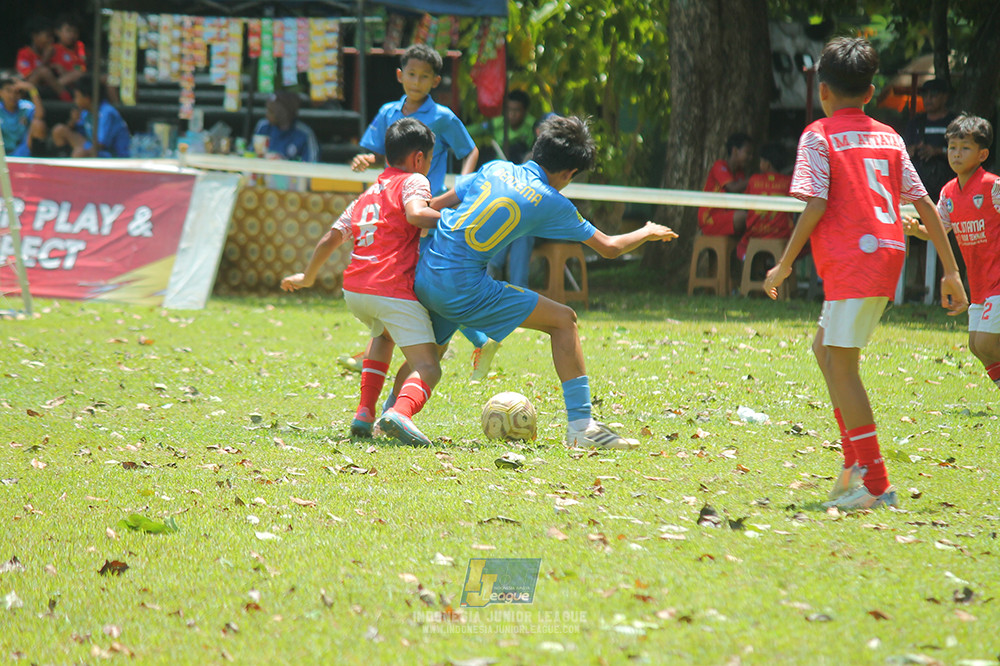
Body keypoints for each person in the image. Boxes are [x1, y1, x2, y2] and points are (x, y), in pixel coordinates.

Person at [762, 37, 968, 511]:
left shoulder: (818, 135)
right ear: (871, 93)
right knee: (824, 350)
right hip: (881, 254)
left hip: (855, 259)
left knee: (843, 365)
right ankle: (854, 462)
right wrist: (950, 270)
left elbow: (816, 203)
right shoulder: (889, 136)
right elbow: (925, 205)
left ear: (823, 91)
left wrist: (785, 262)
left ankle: (875, 485)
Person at [417, 115, 678, 449]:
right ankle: (582, 426)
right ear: (569, 174)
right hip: (466, 287)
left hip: (429, 271)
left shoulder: (495, 167)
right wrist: (647, 231)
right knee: (564, 320)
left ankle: (386, 413)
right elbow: (610, 248)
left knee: (428, 358)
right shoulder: (552, 200)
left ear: (538, 145)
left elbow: (432, 208)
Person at [281, 118, 443, 447]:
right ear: (418, 158)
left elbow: (330, 238)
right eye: (428, 160)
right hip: (390, 288)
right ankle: (400, 412)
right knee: (429, 366)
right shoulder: (414, 181)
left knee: (383, 337)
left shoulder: (369, 193)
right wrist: (460, 219)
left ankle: (364, 413)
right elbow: (415, 214)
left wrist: (307, 276)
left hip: (355, 290)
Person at [347, 43, 497, 382]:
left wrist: (460, 186)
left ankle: (474, 339)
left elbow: (469, 149)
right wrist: (365, 159)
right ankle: (479, 340)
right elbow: (373, 150)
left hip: (424, 209)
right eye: (411, 74)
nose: (416, 81)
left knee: (423, 282)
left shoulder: (443, 117)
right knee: (402, 278)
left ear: (435, 81)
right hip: (392, 208)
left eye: (424, 76)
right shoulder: (388, 112)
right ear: (400, 76)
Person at [904, 114, 1000, 394]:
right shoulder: (948, 192)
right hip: (980, 284)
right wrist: (917, 230)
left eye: (965, 148)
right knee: (975, 345)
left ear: (982, 154)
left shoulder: (993, 187)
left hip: (998, 281)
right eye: (952, 147)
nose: (956, 154)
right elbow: (939, 230)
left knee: (985, 343)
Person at [736, 143, 794, 262]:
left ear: (767, 164)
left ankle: (749, 261)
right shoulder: (789, 182)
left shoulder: (754, 180)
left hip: (754, 234)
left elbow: (744, 204)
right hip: (781, 235)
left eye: (761, 161)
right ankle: (782, 266)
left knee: (740, 246)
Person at [903, 79, 957, 203]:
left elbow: (962, 152)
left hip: (946, 184)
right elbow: (905, 149)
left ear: (945, 97)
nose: (928, 99)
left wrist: (937, 151)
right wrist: (913, 150)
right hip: (920, 186)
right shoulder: (915, 123)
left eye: (933, 95)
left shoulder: (954, 123)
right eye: (925, 95)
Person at [51, 74, 130, 158]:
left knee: (79, 153)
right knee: (59, 130)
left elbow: (101, 145)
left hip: (114, 155)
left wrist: (83, 152)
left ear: (87, 98)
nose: (75, 101)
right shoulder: (85, 112)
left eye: (77, 97)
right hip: (94, 148)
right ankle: (62, 162)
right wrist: (73, 121)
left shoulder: (107, 113)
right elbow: (78, 132)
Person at [698, 132, 752, 238]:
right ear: (735, 151)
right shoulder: (719, 166)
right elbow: (732, 188)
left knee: (754, 217)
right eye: (747, 153)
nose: (750, 158)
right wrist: (755, 179)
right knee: (746, 218)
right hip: (710, 219)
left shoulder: (740, 174)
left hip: (728, 216)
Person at [469, 89, 536, 164]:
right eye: (509, 110)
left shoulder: (533, 125)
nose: (512, 114)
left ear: (525, 111)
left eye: (517, 110)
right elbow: (476, 129)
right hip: (501, 165)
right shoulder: (496, 123)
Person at [253, 91, 319, 163]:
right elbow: (251, 154)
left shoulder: (304, 133)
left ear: (285, 112)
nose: (267, 115)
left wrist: (284, 162)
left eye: (271, 111)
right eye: (267, 110)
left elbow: (312, 163)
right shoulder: (263, 127)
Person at [15, 17, 71, 102]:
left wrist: (59, 68)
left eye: (52, 37)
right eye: (47, 36)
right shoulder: (24, 53)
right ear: (35, 36)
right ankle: (67, 99)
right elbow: (28, 76)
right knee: (43, 71)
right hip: (28, 89)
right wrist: (45, 59)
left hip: (50, 87)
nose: (51, 40)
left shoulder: (54, 52)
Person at [0, 74, 47, 156]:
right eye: (8, 91)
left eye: (17, 92)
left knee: (38, 124)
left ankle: (38, 161)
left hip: (22, 151)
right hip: (2, 154)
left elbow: (40, 115)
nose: (13, 95)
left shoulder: (25, 107)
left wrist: (32, 89)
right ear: (1, 92)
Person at [50, 13, 87, 93]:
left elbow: (82, 68)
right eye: (68, 31)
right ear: (57, 32)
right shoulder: (52, 48)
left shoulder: (79, 49)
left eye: (75, 32)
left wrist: (68, 70)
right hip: (56, 82)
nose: (72, 35)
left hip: (74, 84)